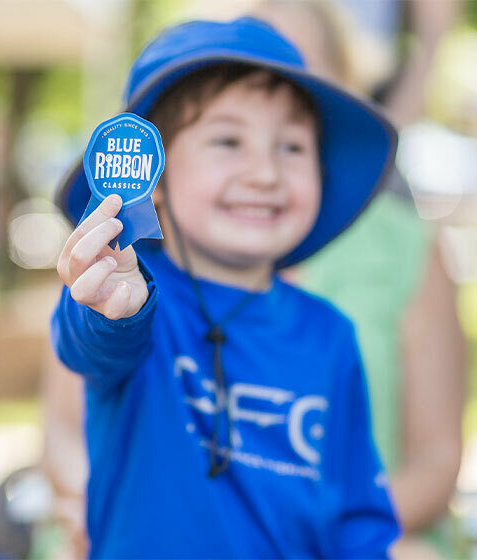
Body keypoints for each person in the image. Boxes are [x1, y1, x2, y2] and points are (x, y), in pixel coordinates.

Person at [51, 17, 401, 558]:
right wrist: (107, 309)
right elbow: (89, 344)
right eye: (228, 141)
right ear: (153, 182)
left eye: (292, 147)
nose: (264, 172)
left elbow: (357, 515)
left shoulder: (330, 336)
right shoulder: (136, 303)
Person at [254, 3, 466, 558]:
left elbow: (437, 460)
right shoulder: (173, 250)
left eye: (301, 70)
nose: (278, 95)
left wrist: (310, 533)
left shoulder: (401, 247)